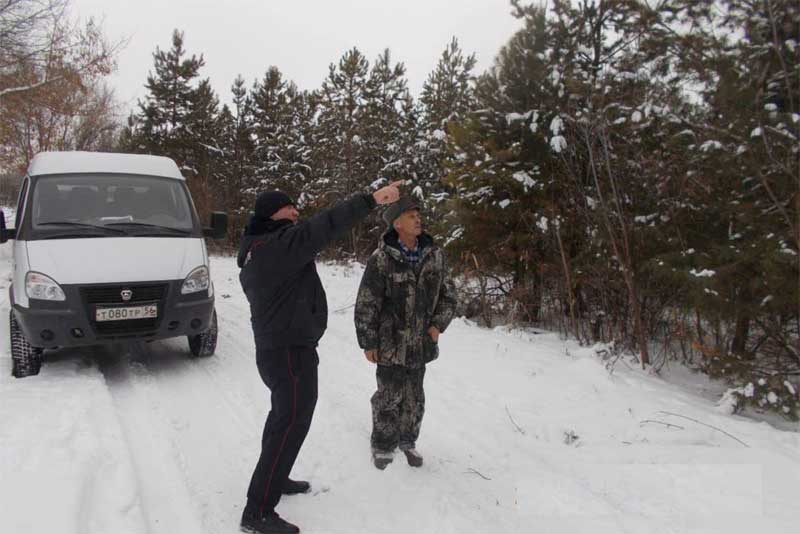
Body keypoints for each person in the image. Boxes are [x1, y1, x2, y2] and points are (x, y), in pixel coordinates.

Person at [238, 182, 401, 534]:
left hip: (282, 349)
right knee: (290, 421)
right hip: (288, 352)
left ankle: (275, 479)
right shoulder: (276, 246)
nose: (296, 211)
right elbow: (325, 224)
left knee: (282, 417)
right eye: (288, 207)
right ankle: (258, 511)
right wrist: (370, 199)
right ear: (270, 214)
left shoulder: (261, 247)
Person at [354, 197, 457, 470]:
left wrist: (437, 326)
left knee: (415, 396)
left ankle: (408, 441)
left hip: (421, 344)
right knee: (389, 395)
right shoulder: (382, 259)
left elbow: (449, 295)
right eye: (411, 216)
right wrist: (368, 341)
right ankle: (383, 445)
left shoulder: (435, 255)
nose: (418, 219)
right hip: (390, 344)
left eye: (418, 215)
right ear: (397, 223)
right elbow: (367, 302)